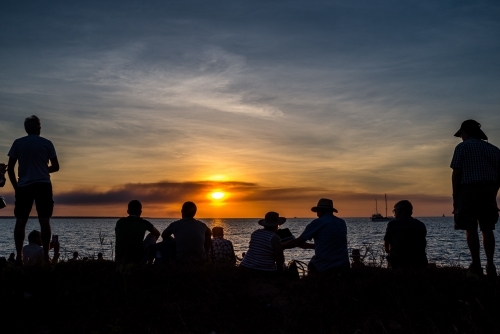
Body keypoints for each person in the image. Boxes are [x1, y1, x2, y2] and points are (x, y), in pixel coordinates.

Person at [7, 116, 60, 264]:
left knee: (20, 221)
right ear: (39, 128)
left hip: (24, 185)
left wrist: (15, 186)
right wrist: (44, 169)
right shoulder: (47, 143)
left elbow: (10, 168)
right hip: (43, 184)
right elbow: (56, 167)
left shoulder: (18, 143)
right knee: (44, 220)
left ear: (26, 128)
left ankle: (19, 256)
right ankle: (45, 257)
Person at [451, 119, 500, 277]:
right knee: (487, 229)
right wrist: (493, 192)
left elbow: (457, 173)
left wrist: (455, 196)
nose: (461, 137)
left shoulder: (462, 148)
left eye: (462, 134)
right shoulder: (494, 149)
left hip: (468, 191)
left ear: (466, 133)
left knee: (470, 228)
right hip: (488, 191)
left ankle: (476, 264)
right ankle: (491, 265)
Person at [282, 198, 349, 275]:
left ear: (321, 210)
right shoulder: (341, 223)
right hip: (343, 266)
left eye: (318, 211)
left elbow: (298, 241)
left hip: (324, 266)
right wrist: (305, 245)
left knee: (311, 265)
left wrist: (282, 245)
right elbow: (328, 244)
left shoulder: (318, 222)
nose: (317, 214)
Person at [383, 200, 428, 269]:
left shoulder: (393, 224)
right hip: (419, 263)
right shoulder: (420, 225)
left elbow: (386, 244)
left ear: (400, 211)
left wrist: (389, 252)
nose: (394, 214)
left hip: (398, 264)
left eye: (395, 211)